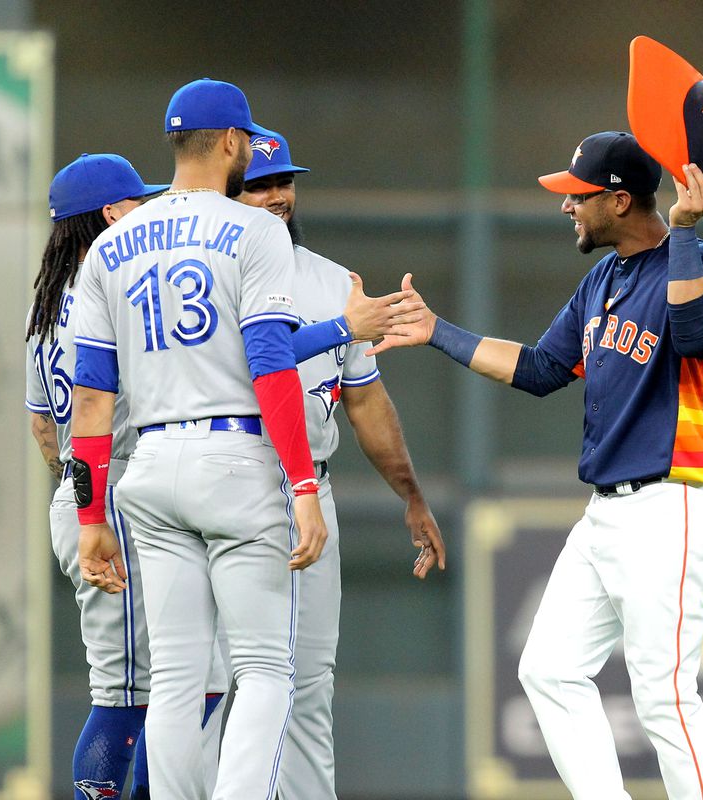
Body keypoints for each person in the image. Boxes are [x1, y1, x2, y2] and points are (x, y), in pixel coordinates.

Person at [373, 131, 703, 800]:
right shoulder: (603, 278)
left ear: (621, 200)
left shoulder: (702, 261)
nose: (567, 207)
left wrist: (684, 230)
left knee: (663, 694)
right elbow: (542, 369)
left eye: (578, 196)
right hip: (608, 510)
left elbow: (698, 337)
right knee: (548, 668)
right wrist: (436, 332)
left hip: (677, 497)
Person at [67, 78, 323, 800]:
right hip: (234, 457)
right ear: (235, 143)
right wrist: (304, 486)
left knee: (176, 676)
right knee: (266, 669)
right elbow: (272, 363)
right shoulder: (257, 230)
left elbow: (91, 399)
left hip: (147, 466)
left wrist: (91, 521)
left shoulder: (109, 248)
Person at [235, 129, 447, 800]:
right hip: (230, 480)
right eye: (259, 184)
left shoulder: (332, 283)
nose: (276, 196)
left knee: (307, 683)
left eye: (284, 182)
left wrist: (411, 497)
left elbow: (367, 405)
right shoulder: (207, 274)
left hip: (310, 492)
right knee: (218, 678)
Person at [25, 152, 231, 800]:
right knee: (131, 692)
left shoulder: (47, 307)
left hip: (90, 489)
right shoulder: (117, 289)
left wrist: (73, 487)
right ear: (112, 213)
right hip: (111, 498)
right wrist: (95, 501)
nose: (146, 211)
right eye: (136, 202)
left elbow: (41, 428)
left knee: (190, 681)